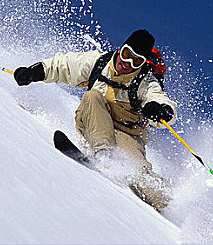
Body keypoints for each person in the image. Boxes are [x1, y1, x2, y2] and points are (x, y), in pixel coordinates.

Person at [13, 29, 177, 212]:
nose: (128, 63)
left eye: (136, 60)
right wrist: (34, 72)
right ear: (121, 48)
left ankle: (166, 206)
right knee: (92, 96)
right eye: (126, 54)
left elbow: (158, 97)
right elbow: (66, 66)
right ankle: (104, 155)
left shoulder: (145, 82)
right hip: (93, 120)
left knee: (141, 174)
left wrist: (161, 110)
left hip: (127, 134)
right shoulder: (99, 62)